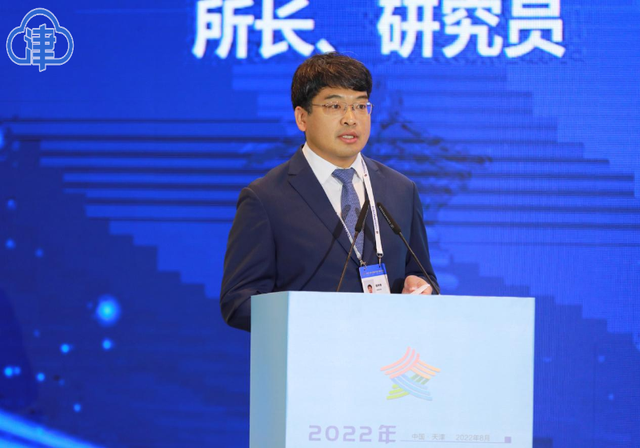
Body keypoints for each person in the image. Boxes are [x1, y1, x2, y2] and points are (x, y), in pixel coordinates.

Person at [221, 52, 438, 331]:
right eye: (335, 106)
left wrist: (420, 287)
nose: (351, 119)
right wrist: (319, 319)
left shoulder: (401, 189)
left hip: (389, 353)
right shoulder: (266, 198)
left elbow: (422, 274)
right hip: (309, 353)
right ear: (302, 117)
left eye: (360, 106)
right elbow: (238, 302)